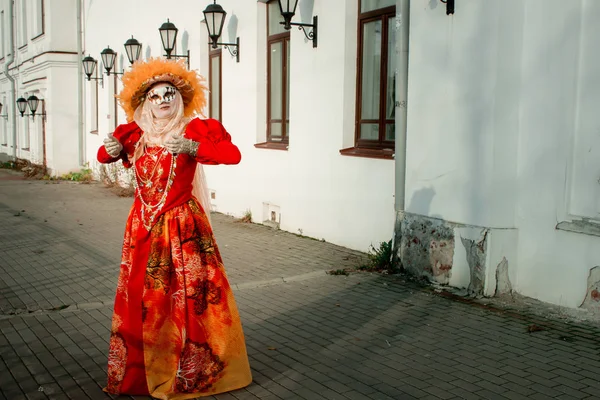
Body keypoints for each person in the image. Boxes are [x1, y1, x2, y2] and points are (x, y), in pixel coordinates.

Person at [97, 58, 252, 399]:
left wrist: (193, 148)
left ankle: (189, 368)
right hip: (142, 227)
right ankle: (141, 371)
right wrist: (110, 151)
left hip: (183, 228)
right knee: (142, 299)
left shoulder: (193, 129)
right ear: (145, 102)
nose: (164, 99)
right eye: (155, 95)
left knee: (189, 299)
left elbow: (233, 154)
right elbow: (103, 154)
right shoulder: (134, 134)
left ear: (180, 99)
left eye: (169, 93)